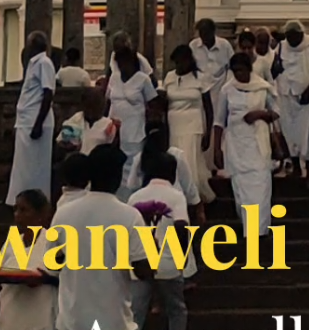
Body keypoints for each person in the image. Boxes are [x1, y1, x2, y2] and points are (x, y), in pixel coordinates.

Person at [52, 143, 152, 330]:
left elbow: (52, 263)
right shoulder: (130, 216)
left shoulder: (63, 214)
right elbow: (144, 271)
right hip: (114, 321)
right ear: (118, 176)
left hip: (72, 320)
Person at [212, 52, 280, 237]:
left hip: (258, 144)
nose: (239, 75)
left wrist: (259, 114)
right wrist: (217, 148)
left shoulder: (262, 87)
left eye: (241, 70)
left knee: (260, 189)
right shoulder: (227, 89)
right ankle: (248, 230)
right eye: (235, 71)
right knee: (242, 192)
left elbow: (276, 113)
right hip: (236, 145)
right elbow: (219, 121)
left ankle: (260, 233)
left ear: (249, 69)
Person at [0, 188, 58, 330]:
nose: (17, 215)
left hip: (41, 318)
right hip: (11, 318)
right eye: (15, 210)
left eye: (24, 210)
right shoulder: (11, 243)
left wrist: (43, 279)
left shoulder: (52, 242)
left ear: (40, 215)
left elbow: (66, 282)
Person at [129, 151, 193, 330]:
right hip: (169, 264)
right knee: (177, 310)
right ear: (172, 174)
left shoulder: (135, 198)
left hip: (139, 266)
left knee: (136, 314)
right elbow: (181, 226)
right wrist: (182, 257)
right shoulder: (176, 196)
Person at [271, 20, 309, 180]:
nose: (292, 40)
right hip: (287, 97)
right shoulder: (281, 47)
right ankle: (296, 167)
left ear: (301, 35)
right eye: (289, 36)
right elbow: (274, 71)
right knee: (290, 134)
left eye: (295, 36)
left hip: (308, 99)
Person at [7, 32, 56, 205]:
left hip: (36, 121)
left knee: (35, 167)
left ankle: (36, 202)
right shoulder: (33, 64)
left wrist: (38, 123)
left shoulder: (44, 63)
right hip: (26, 119)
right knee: (23, 165)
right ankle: (19, 199)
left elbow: (48, 93)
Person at [161, 43, 214, 202]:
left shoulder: (200, 78)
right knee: (175, 159)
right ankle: (178, 196)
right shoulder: (170, 77)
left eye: (182, 61)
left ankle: (194, 196)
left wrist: (208, 132)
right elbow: (164, 104)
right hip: (174, 123)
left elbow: (208, 108)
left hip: (193, 124)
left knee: (190, 161)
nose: (179, 65)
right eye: (176, 62)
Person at [106, 42, 158, 198]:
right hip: (115, 130)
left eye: (124, 62)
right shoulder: (114, 78)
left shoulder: (143, 80)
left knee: (134, 169)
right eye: (119, 62)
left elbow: (154, 105)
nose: (122, 66)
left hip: (135, 130)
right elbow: (108, 101)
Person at [127, 120, 205, 223]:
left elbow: (132, 185)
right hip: (175, 203)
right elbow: (188, 186)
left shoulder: (140, 157)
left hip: (145, 205)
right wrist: (198, 208)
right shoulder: (177, 155)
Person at [59, 85, 118, 156]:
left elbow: (112, 151)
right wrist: (68, 146)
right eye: (88, 106)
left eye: (95, 106)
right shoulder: (76, 119)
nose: (91, 111)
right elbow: (60, 143)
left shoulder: (108, 124)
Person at [189, 19, 232, 115]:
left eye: (206, 33)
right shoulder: (193, 45)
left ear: (213, 32)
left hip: (220, 86)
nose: (204, 37)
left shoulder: (224, 45)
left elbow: (231, 66)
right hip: (201, 87)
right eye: (201, 33)